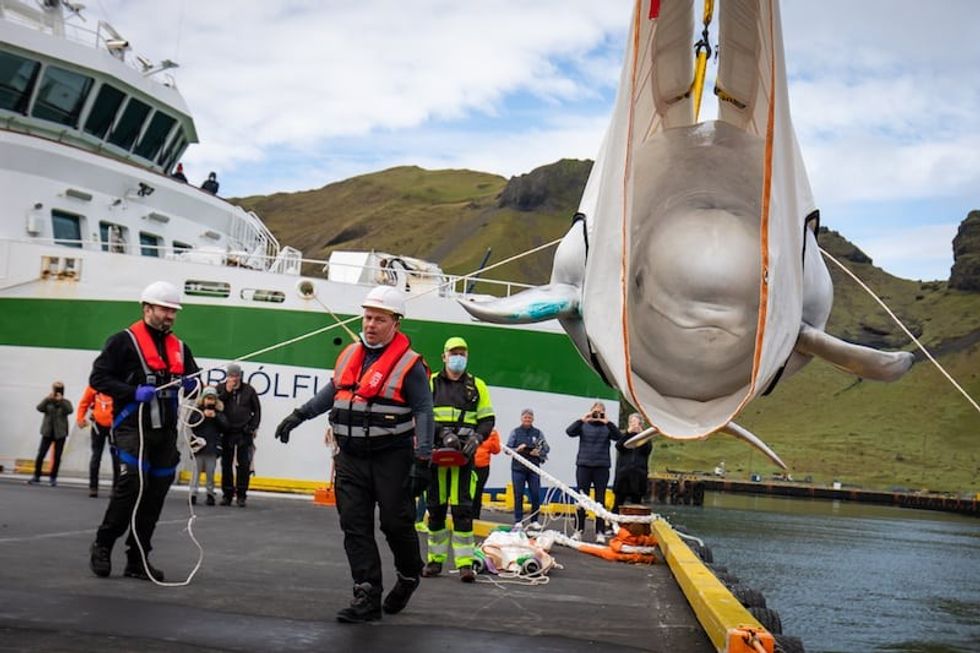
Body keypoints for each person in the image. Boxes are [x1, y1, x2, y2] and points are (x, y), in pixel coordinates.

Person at [274, 285, 434, 623]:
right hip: (350, 459)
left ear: (396, 324)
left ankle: (408, 575)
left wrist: (423, 458)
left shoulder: (410, 365)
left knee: (395, 523)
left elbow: (423, 410)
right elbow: (331, 392)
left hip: (392, 457)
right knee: (355, 526)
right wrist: (298, 416)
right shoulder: (350, 356)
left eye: (379, 319)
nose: (371, 324)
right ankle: (366, 594)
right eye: (367, 317)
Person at [88, 281, 200, 581]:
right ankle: (103, 544)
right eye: (165, 309)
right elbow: (98, 378)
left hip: (164, 433)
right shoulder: (121, 342)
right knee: (131, 488)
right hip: (130, 428)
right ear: (147, 308)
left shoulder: (180, 348)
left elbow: (195, 378)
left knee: (155, 495)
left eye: (174, 311)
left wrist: (193, 385)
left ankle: (137, 558)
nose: (170, 316)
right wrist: (130, 391)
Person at [424, 335, 494, 583]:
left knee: (464, 510)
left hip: (465, 458)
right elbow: (421, 415)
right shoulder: (430, 383)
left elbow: (487, 419)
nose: (458, 358)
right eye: (454, 353)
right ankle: (435, 561)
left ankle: (465, 565)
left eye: (462, 353)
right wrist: (442, 434)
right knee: (436, 511)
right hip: (436, 457)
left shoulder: (478, 386)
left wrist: (477, 438)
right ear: (444, 356)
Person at [566, 401, 621, 543]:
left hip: (601, 466)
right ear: (590, 411)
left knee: (600, 500)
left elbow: (618, 437)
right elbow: (569, 432)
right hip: (584, 465)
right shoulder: (584, 424)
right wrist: (582, 419)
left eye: (601, 411)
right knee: (582, 499)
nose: (598, 414)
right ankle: (579, 530)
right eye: (595, 411)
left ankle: (600, 532)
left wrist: (607, 422)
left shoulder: (607, 427)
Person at [217, 363, 261, 507]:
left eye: (236, 376)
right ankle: (227, 494)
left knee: (244, 464)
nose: (234, 379)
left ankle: (241, 495)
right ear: (227, 376)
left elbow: (257, 411)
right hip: (226, 431)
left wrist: (252, 427)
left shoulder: (249, 390)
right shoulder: (221, 389)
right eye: (231, 376)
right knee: (226, 464)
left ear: (240, 376)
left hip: (244, 432)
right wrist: (228, 392)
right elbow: (216, 405)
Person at [506, 409, 549, 528]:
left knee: (535, 494)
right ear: (521, 418)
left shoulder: (538, 433)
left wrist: (539, 452)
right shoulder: (515, 432)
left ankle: (534, 520)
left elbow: (546, 448)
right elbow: (507, 449)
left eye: (529, 418)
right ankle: (518, 520)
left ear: (533, 419)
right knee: (518, 494)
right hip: (518, 468)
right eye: (525, 417)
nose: (527, 419)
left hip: (533, 468)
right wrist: (517, 450)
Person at [76, 385, 120, 497]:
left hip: (114, 426)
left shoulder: (117, 384)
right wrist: (80, 418)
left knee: (116, 458)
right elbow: (84, 403)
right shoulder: (94, 386)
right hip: (98, 426)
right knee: (96, 456)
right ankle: (93, 487)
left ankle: (116, 488)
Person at [27, 381, 73, 486]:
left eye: (59, 390)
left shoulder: (66, 402)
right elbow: (39, 408)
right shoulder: (48, 401)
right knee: (41, 455)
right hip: (47, 432)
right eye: (56, 390)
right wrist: (47, 399)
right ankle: (36, 475)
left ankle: (53, 477)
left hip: (60, 433)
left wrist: (61, 401)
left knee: (57, 457)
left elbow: (70, 411)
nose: (57, 393)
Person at [189, 386, 226, 506]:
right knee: (196, 473)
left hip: (212, 448)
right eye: (208, 399)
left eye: (212, 399)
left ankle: (210, 494)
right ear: (203, 399)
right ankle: (193, 494)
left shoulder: (219, 413)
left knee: (210, 473)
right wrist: (202, 416)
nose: (210, 401)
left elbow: (226, 426)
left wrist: (216, 417)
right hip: (198, 447)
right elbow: (191, 424)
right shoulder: (197, 411)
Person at [612, 413, 652, 513]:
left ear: (640, 424)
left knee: (636, 503)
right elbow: (619, 446)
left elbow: (647, 450)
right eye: (631, 422)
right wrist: (628, 433)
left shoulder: (645, 437)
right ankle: (614, 523)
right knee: (618, 502)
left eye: (635, 422)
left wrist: (642, 434)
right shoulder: (625, 436)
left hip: (638, 475)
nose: (633, 424)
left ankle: (634, 525)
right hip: (624, 474)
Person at [471, 428, 501, 520]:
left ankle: (475, 516)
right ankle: (464, 515)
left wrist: (493, 437)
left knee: (478, 492)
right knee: (466, 492)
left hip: (483, 467)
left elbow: (496, 450)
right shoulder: (470, 429)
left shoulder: (492, 433)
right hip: (469, 465)